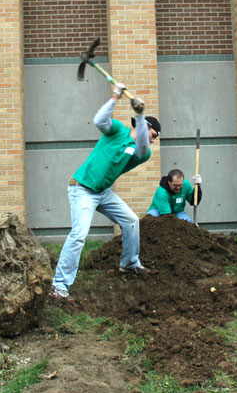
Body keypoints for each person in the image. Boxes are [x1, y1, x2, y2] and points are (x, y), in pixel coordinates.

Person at [51, 83, 161, 301]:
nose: (153, 139)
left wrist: (139, 117)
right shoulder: (118, 130)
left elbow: (140, 147)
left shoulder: (143, 152)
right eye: (153, 134)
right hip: (82, 188)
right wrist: (115, 97)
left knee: (131, 221)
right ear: (146, 127)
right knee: (79, 235)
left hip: (102, 192)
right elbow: (99, 121)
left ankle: (129, 264)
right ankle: (59, 285)